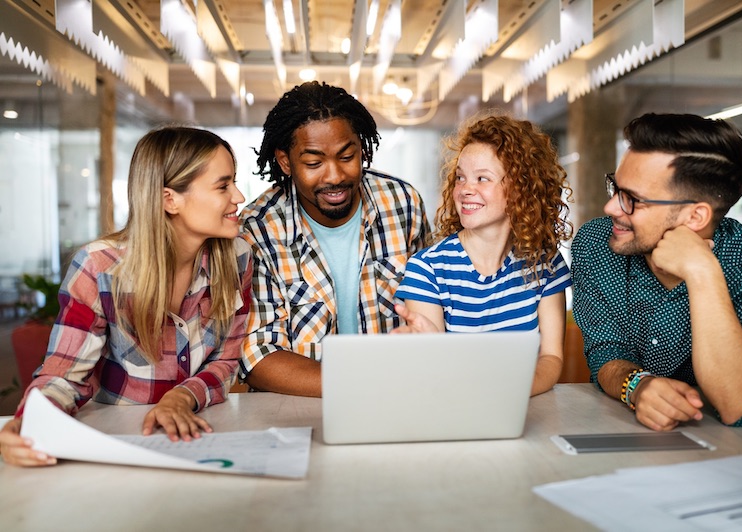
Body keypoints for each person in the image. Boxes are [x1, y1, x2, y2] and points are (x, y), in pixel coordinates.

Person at [0, 126, 253, 466]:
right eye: (224, 185)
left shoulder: (236, 258)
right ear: (169, 200)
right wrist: (32, 421)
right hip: (115, 441)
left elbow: (227, 360)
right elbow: (63, 374)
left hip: (200, 434)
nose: (238, 197)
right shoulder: (98, 266)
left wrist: (182, 397)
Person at [571, 112, 742, 431]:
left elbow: (740, 407)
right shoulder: (596, 245)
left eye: (632, 199)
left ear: (695, 217)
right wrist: (637, 385)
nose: (611, 209)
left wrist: (703, 273)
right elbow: (607, 352)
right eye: (615, 188)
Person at [239, 81, 430, 397]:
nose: (335, 176)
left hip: (400, 400)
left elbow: (432, 312)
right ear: (286, 162)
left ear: (362, 148)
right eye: (314, 162)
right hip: (301, 412)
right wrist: (362, 387)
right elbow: (257, 355)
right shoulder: (258, 230)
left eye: (347, 156)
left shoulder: (402, 203)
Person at [393, 113, 573, 396]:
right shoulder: (427, 269)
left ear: (520, 189)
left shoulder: (546, 264)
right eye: (461, 177)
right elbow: (435, 377)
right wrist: (432, 350)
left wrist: (510, 395)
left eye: (482, 178)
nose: (465, 190)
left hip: (526, 414)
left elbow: (551, 358)